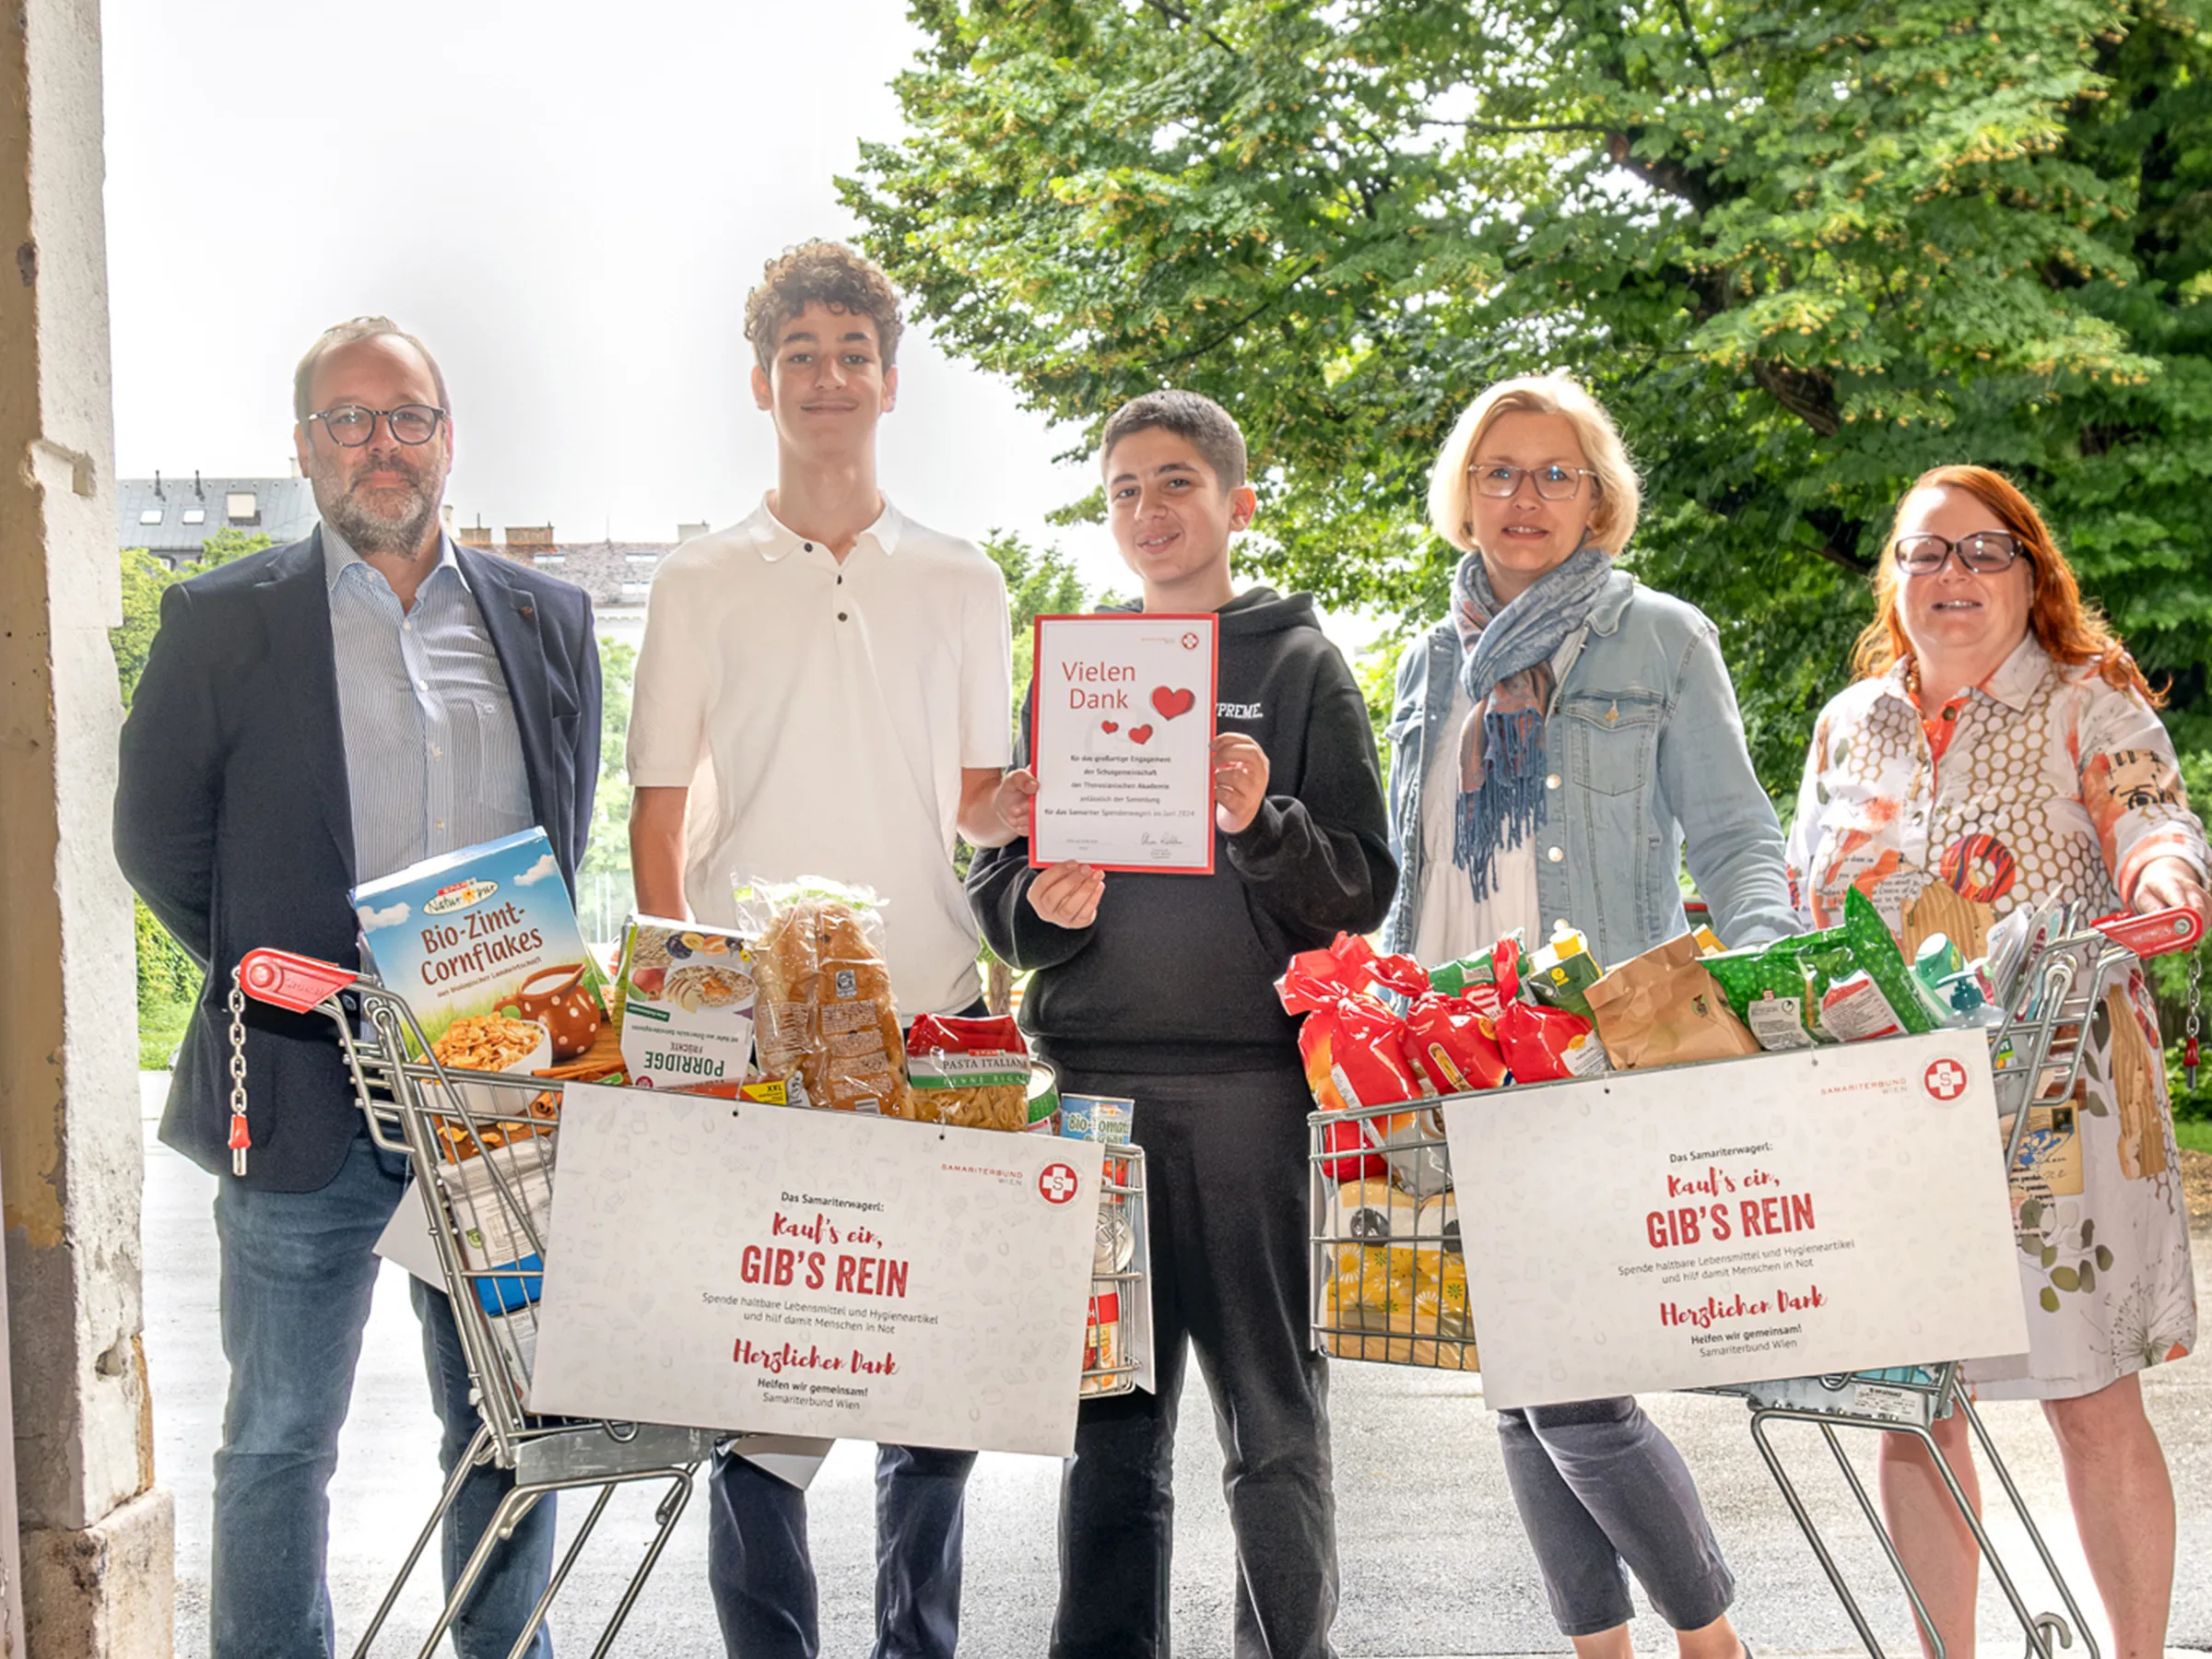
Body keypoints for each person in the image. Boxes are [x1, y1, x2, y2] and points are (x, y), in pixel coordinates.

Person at [113, 317, 595, 1658]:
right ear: (303, 444)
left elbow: (564, 830)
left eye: (408, 416)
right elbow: (155, 836)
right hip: (302, 1096)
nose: (380, 444)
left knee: (510, 1433)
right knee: (276, 1442)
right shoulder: (222, 619)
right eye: (347, 418)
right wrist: (294, 990)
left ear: (448, 438)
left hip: (495, 1099)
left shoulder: (548, 619)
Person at [625, 241, 1025, 1659]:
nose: (830, 376)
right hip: (760, 1031)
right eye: (802, 353)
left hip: (931, 1006)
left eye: (854, 353)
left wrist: (1079, 786)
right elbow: (658, 815)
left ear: (891, 382)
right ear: (762, 382)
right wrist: (682, 1020)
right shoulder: (700, 578)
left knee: (931, 1378)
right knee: (760, 1373)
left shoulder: (967, 579)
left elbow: (982, 800)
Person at [968, 389, 1395, 1659]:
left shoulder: (1303, 668)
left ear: (1236, 504)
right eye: (1124, 492)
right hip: (1096, 1088)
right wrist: (1041, 908)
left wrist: (1263, 824)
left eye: (1174, 485)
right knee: (1109, 1434)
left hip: (1258, 1095)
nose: (1147, 512)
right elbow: (993, 893)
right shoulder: (1076, 673)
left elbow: (1364, 885)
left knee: (1272, 1428)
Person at [1381, 373, 1791, 1659]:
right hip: (1446, 1043)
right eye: (1500, 471)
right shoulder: (1430, 657)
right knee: (1521, 1383)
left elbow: (1734, 834)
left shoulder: (1659, 637)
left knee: (1568, 1387)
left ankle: (1712, 1639)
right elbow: (1413, 865)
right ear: (1465, 494)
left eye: (1556, 472)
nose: (1527, 497)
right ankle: (1602, 1647)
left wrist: (1760, 963)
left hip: (1585, 1042)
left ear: (1598, 496)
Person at [1787, 465, 2206, 1659]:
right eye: (1927, 552)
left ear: (2033, 573)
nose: (1953, 575)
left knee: (2091, 1400)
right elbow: (1792, 883)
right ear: (1894, 577)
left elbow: (2153, 817)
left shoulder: (2089, 698)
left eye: (1984, 552)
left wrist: (2167, 879)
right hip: (1888, 1105)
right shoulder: (1847, 724)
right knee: (1916, 1408)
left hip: (2055, 1100)